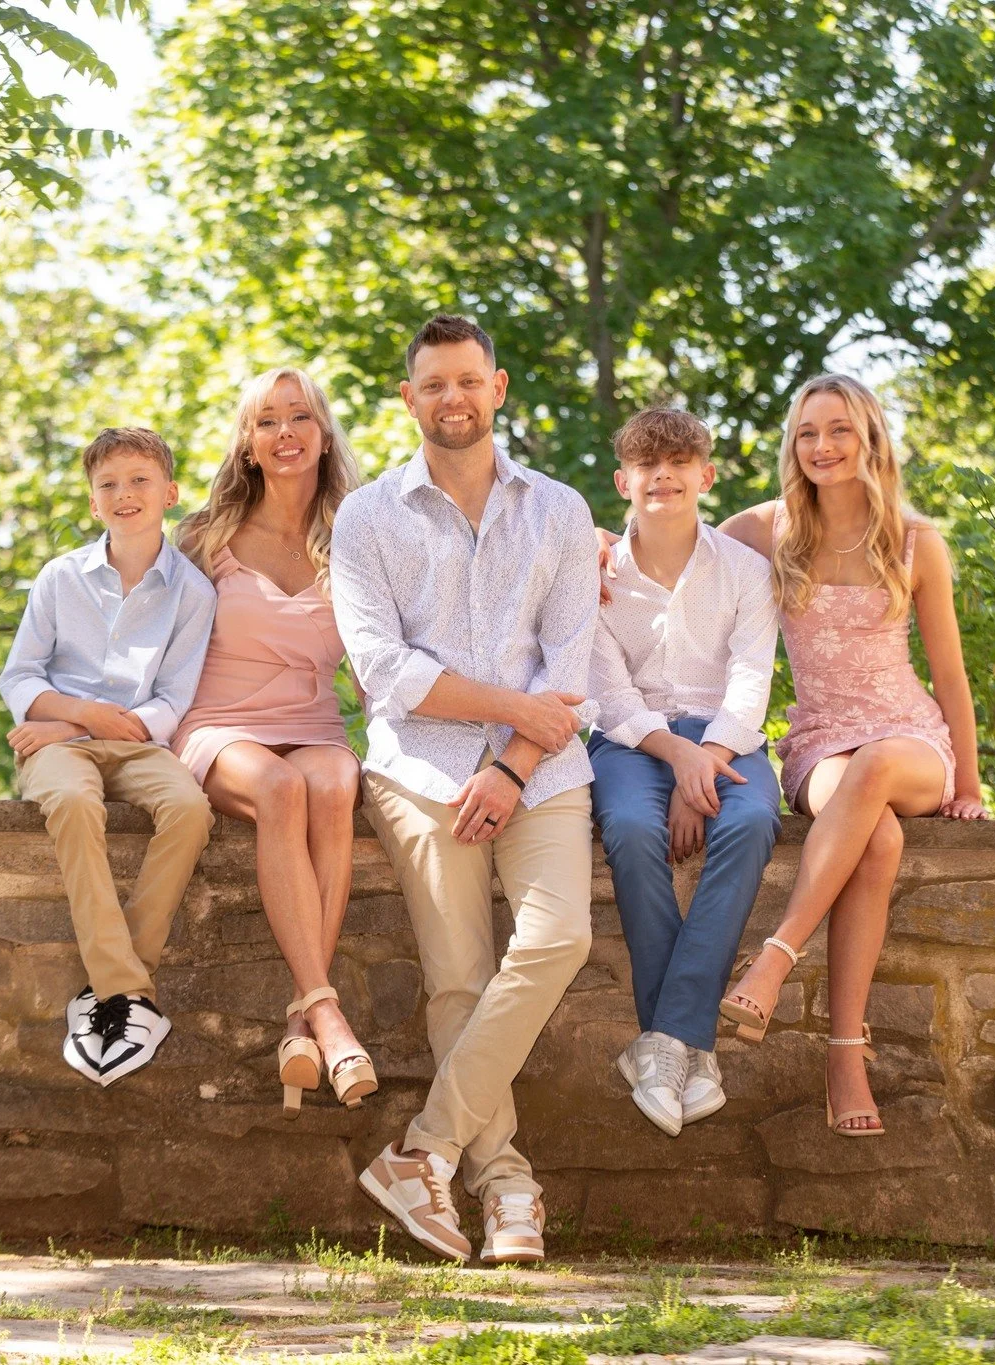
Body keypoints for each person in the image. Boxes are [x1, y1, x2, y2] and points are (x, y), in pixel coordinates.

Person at [331, 314, 600, 1265]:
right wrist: (507, 724)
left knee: (563, 934)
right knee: (458, 978)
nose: (453, 398)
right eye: (433, 384)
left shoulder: (560, 509)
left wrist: (514, 758)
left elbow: (574, 662)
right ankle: (510, 1187)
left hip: (546, 772)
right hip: (418, 772)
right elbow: (383, 668)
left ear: (500, 387)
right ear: (409, 399)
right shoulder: (365, 518)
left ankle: (424, 1151)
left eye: (469, 380)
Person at [714, 374, 987, 1138]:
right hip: (820, 739)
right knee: (880, 836)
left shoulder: (913, 540)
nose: (822, 446)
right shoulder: (766, 530)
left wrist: (968, 779)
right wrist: (604, 550)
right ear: (792, 446)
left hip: (910, 739)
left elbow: (951, 673)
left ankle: (773, 958)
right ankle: (844, 1054)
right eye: (807, 433)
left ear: (869, 440)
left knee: (873, 778)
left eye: (838, 431)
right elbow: (668, 539)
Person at [173, 367, 375, 1117]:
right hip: (220, 726)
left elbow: (394, 648)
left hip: (314, 724)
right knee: (283, 788)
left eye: (299, 418)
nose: (284, 433)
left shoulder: (355, 538)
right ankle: (327, 1016)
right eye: (266, 422)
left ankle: (300, 1017)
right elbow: (140, 633)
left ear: (323, 436)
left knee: (333, 784)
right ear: (249, 445)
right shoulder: (205, 536)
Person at [0, 427, 218, 1089]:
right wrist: (72, 720)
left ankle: (115, 985)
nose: (125, 494)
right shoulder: (60, 578)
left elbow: (173, 697)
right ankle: (129, 994)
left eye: (139, 480)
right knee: (70, 800)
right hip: (59, 744)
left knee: (188, 807)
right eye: (109, 485)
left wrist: (86, 719)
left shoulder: (193, 591)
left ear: (170, 493)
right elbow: (19, 677)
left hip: (138, 741)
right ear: (93, 503)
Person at [587, 407, 782, 1139]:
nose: (662, 475)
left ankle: (666, 1043)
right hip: (632, 740)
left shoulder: (747, 571)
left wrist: (712, 758)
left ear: (705, 475)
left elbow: (750, 678)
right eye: (646, 464)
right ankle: (689, 1049)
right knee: (633, 826)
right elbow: (608, 692)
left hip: (730, 740)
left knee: (755, 819)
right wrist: (678, 756)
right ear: (624, 480)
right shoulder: (597, 575)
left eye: (678, 462)